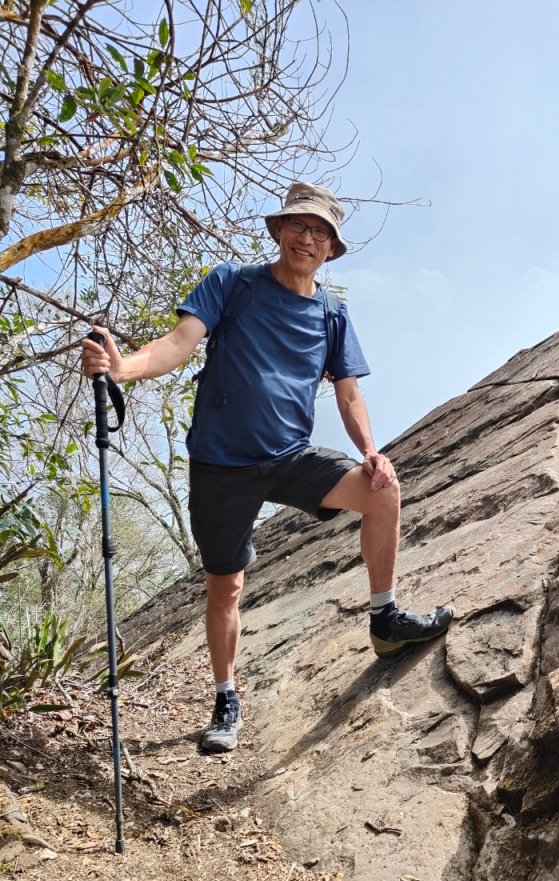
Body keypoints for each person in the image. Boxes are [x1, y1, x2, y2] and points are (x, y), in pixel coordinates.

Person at [81, 182, 454, 754]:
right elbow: (179, 344)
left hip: (288, 458)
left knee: (383, 491)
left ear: (331, 248)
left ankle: (384, 620)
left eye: (321, 231)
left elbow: (349, 396)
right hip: (220, 465)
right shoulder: (233, 284)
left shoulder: (333, 315)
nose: (308, 238)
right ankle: (226, 695)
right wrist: (120, 367)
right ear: (278, 230)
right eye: (300, 226)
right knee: (225, 587)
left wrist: (370, 451)